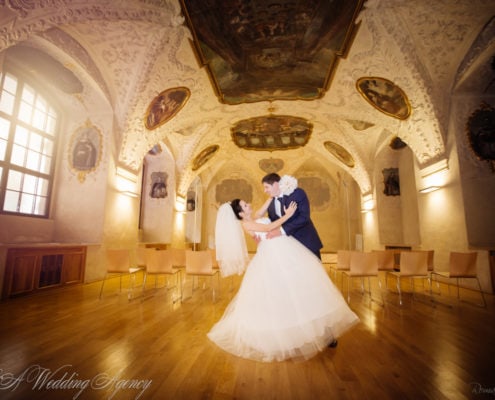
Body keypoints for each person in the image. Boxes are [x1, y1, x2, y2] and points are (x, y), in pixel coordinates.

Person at [208, 198, 359, 362]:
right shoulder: (246, 224)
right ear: (241, 213)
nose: (249, 205)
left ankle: (319, 331)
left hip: (284, 248)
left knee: (301, 287)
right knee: (281, 292)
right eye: (245, 205)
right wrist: (287, 215)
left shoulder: (253, 216)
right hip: (272, 254)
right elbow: (268, 227)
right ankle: (289, 335)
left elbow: (262, 209)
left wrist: (273, 195)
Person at [261, 173, 323, 259]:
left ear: (276, 184)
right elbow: (274, 222)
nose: (265, 191)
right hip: (287, 248)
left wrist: (281, 231)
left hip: (306, 242)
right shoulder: (271, 203)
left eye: (266, 187)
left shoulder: (297, 193)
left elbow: (304, 217)